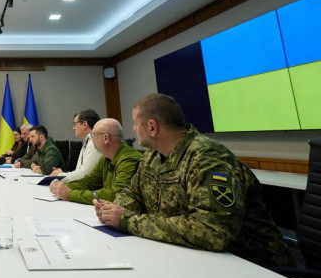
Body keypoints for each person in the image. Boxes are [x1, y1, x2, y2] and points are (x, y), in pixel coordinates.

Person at [95, 93, 293, 268]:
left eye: (136, 123)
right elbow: (133, 193)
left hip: (250, 266)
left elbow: (212, 231)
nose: (134, 129)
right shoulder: (153, 156)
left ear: (152, 127)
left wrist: (127, 220)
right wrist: (111, 210)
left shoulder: (206, 157)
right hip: (193, 258)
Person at [49, 118, 142, 203]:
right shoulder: (105, 158)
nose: (92, 139)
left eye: (94, 135)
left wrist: (69, 194)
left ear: (106, 138)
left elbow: (117, 195)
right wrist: (62, 187)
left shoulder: (129, 160)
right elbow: (88, 182)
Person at [49, 109, 101, 180]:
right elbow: (79, 172)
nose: (73, 128)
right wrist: (62, 174)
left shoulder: (94, 144)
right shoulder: (87, 142)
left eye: (75, 124)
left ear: (85, 124)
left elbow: (84, 175)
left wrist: (60, 175)